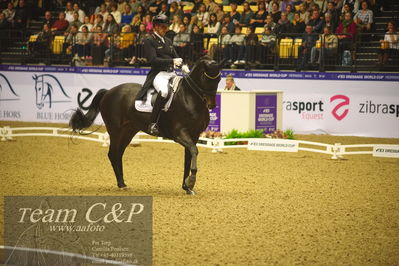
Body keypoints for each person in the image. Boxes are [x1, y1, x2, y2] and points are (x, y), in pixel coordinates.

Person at [137, 14, 189, 136]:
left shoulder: (168, 41)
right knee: (164, 92)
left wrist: (183, 66)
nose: (165, 29)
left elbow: (176, 57)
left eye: (166, 27)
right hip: (158, 74)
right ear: (155, 27)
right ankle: (152, 123)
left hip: (171, 73)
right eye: (162, 27)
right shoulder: (149, 40)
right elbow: (153, 60)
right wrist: (171, 61)